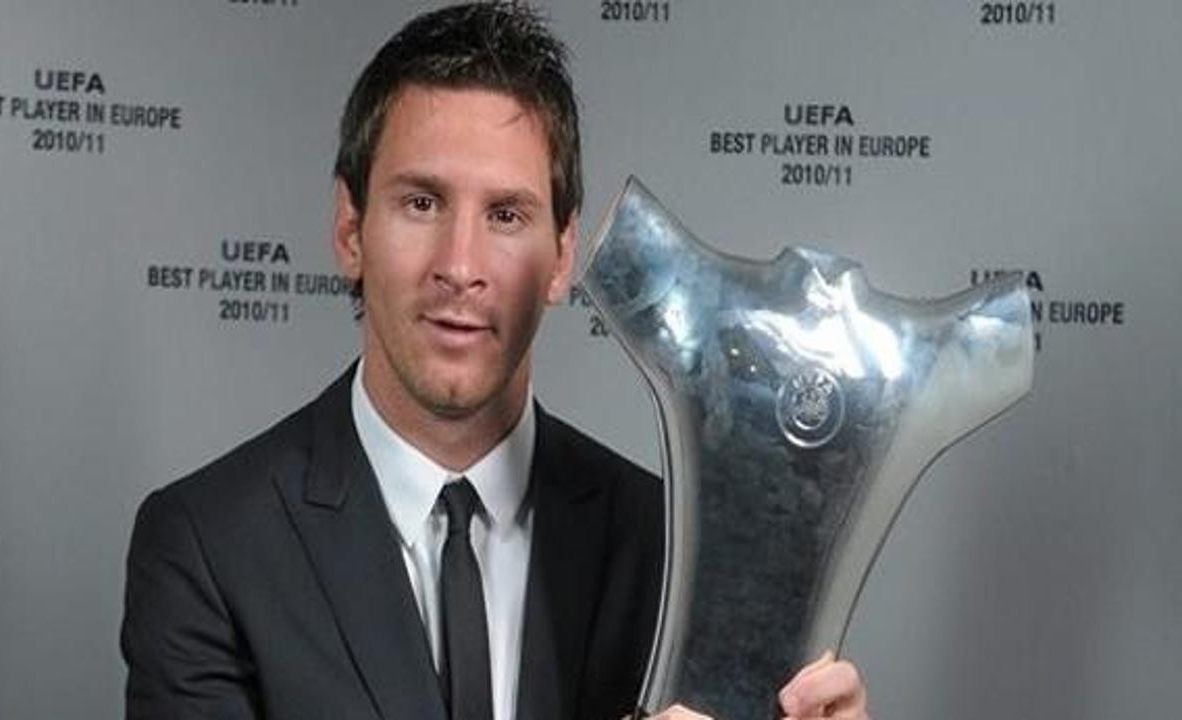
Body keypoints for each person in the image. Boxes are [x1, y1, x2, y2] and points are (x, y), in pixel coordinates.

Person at [120, 3, 869, 719]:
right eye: (422, 203)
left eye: (506, 215)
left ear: (562, 255)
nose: (460, 265)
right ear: (351, 229)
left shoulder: (673, 554)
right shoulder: (209, 545)